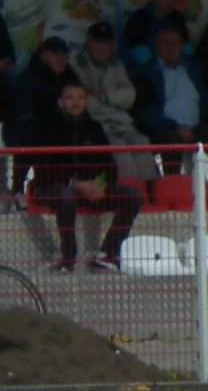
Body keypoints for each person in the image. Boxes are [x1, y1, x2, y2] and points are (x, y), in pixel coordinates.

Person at [18, 79, 143, 270]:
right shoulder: (45, 127)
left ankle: (107, 254)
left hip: (90, 189)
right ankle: (68, 259)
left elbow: (109, 165)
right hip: (50, 188)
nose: (75, 102)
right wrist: (76, 184)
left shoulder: (94, 128)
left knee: (133, 196)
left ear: (86, 101)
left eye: (80, 98)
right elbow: (43, 168)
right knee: (66, 197)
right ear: (60, 102)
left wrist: (99, 184)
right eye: (70, 98)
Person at [132, 24, 208, 165]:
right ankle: (173, 185)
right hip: (167, 130)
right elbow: (144, 112)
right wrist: (174, 127)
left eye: (176, 42)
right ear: (157, 46)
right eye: (166, 42)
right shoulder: (146, 74)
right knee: (170, 142)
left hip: (197, 126)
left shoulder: (195, 67)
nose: (172, 47)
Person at [70, 23, 143, 148]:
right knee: (120, 149)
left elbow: (130, 96)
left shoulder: (117, 65)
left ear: (113, 45)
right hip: (96, 126)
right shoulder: (75, 63)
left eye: (106, 42)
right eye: (98, 42)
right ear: (88, 43)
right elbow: (85, 102)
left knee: (142, 143)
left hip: (122, 125)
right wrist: (116, 97)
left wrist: (104, 95)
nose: (102, 47)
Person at [9, 36, 78, 136]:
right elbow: (24, 117)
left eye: (64, 55)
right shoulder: (30, 79)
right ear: (43, 55)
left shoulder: (69, 74)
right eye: (56, 55)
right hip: (39, 136)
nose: (61, 59)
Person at [120, 0, 191, 62]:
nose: (169, 1)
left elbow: (187, 50)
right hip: (140, 71)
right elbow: (140, 56)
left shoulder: (177, 18)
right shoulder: (138, 18)